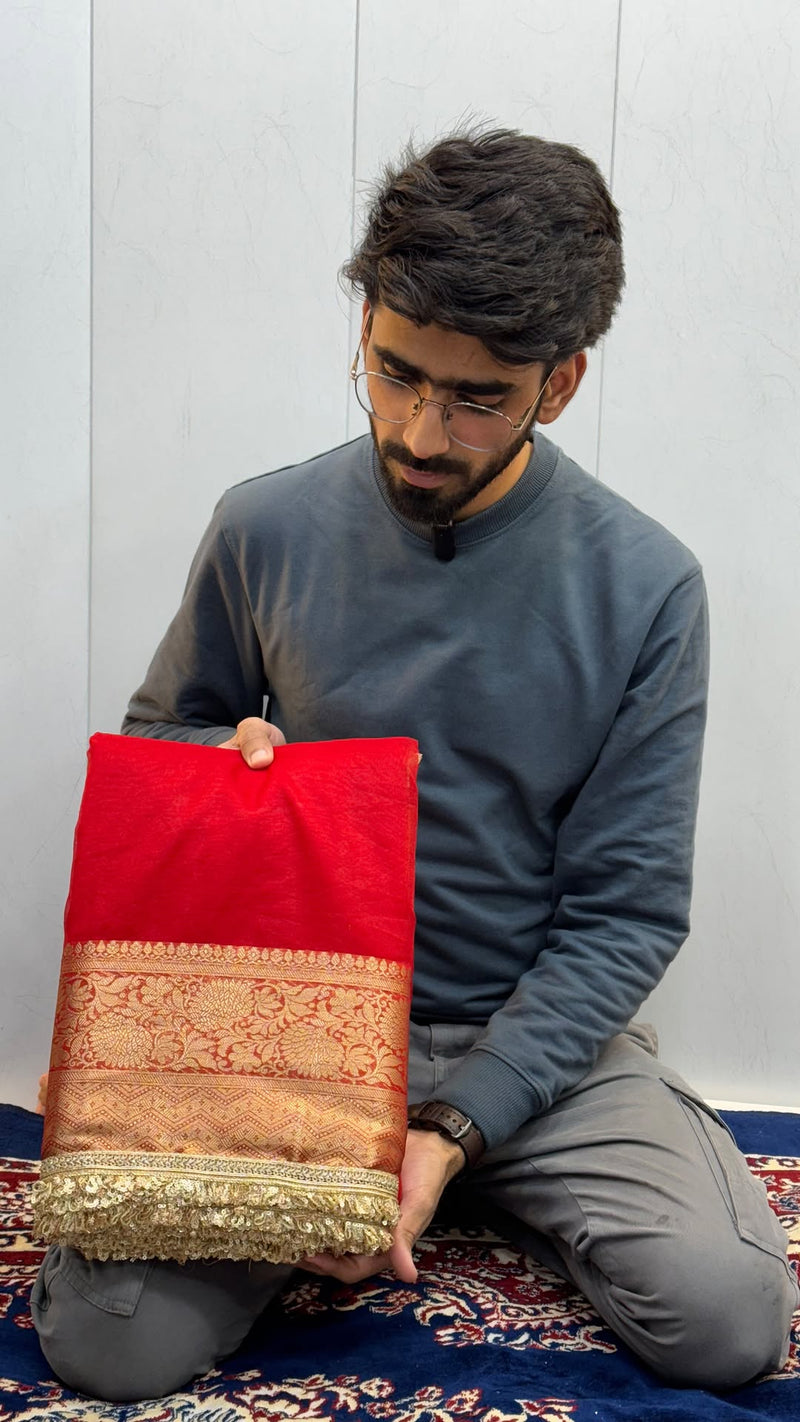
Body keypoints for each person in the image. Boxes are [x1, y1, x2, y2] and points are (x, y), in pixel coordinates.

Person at [32, 128, 797, 1402]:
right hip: (293, 1027)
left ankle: (467, 1169)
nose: (418, 431)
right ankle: (358, 1184)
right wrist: (228, 763)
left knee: (728, 1325)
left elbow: (624, 912)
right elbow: (159, 743)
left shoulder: (646, 585)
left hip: (532, 1036)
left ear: (559, 384)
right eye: (391, 374)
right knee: (108, 1347)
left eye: (474, 397)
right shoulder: (262, 525)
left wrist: (448, 1127)